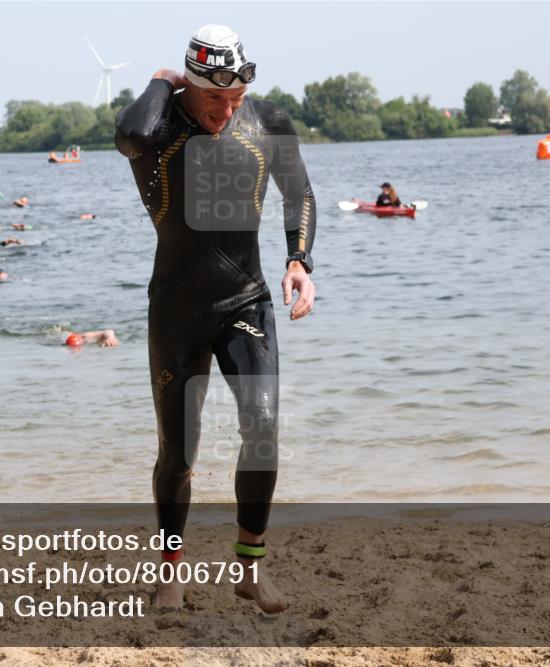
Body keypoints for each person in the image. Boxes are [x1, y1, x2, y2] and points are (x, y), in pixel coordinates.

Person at [115, 24, 316, 613]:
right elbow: (129, 134)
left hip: (245, 300)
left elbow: (298, 192)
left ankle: (251, 568)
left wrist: (300, 259)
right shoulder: (158, 127)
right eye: (212, 99)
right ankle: (170, 573)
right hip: (176, 309)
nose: (225, 112)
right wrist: (159, 80)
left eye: (235, 100)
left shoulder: (267, 120)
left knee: (262, 426)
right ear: (187, 85)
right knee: (178, 452)